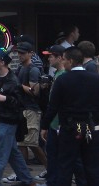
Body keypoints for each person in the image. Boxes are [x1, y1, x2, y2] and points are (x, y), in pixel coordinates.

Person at [40, 46, 99, 185]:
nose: (63, 62)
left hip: (70, 128)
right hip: (90, 127)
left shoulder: (63, 80)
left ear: (71, 61)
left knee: (65, 165)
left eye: (65, 59)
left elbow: (53, 107)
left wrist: (44, 126)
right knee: (91, 165)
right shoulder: (95, 79)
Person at [0, 50, 37, 186]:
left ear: (3, 62)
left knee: (0, 154)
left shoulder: (13, 81)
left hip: (8, 120)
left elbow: (19, 103)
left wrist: (6, 99)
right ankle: (28, 180)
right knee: (13, 153)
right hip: (1, 119)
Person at [14, 41, 47, 177]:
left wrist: (20, 86)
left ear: (30, 54)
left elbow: (35, 92)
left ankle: (49, 168)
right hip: (22, 108)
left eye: (23, 53)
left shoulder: (33, 69)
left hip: (31, 109)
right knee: (21, 143)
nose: (20, 55)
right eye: (19, 52)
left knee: (32, 143)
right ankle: (23, 173)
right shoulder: (20, 68)